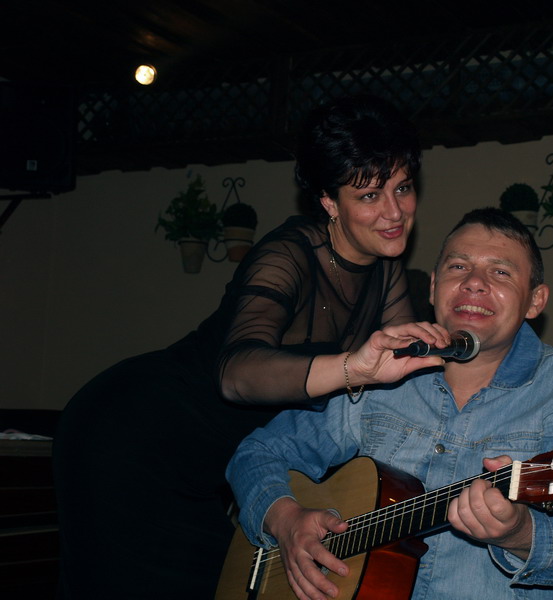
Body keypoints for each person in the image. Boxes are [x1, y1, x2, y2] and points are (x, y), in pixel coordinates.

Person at [53, 95, 450, 599]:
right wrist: (354, 367)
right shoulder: (288, 255)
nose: (394, 212)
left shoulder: (385, 267)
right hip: (132, 437)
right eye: (369, 195)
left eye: (403, 188)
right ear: (329, 201)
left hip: (208, 472)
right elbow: (236, 374)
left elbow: (402, 386)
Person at [227, 207, 553, 600]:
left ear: (535, 300)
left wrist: (518, 531)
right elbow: (258, 453)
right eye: (458, 267)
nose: (474, 283)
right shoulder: (384, 369)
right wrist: (285, 519)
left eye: (500, 272)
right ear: (433, 287)